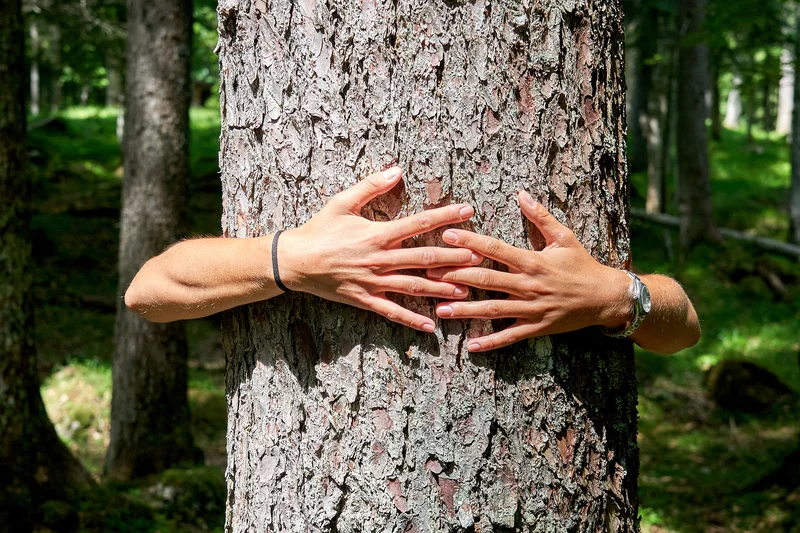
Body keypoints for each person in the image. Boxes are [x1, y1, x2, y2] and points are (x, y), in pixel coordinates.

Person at [125, 166, 700, 354]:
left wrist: (613, 297)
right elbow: (148, 293)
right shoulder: (296, 257)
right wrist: (289, 259)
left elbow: (685, 329)